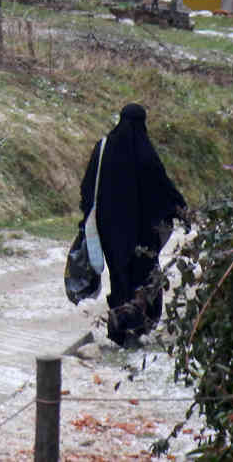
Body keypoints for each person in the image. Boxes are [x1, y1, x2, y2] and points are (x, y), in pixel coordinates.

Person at [79, 103, 187, 347]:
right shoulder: (146, 153)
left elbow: (88, 188)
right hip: (143, 234)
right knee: (144, 274)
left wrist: (89, 216)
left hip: (111, 232)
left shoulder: (103, 148)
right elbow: (163, 188)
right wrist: (180, 208)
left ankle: (119, 327)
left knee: (119, 276)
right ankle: (138, 325)